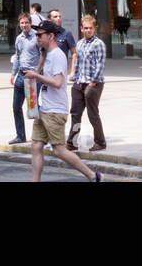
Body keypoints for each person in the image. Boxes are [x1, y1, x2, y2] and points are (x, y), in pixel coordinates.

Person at [25, 20, 99, 182]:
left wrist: (36, 76)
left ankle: (93, 176)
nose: (37, 37)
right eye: (36, 34)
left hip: (55, 111)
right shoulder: (48, 55)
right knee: (36, 146)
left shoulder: (57, 55)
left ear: (51, 36)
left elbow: (58, 83)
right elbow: (49, 80)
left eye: (40, 35)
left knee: (59, 150)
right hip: (45, 108)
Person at [67, 14, 106, 152]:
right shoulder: (79, 43)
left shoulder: (98, 44)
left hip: (93, 84)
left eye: (90, 28)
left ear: (94, 28)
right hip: (79, 83)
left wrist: (92, 83)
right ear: (81, 29)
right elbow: (77, 63)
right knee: (75, 114)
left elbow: (100, 65)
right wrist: (75, 79)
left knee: (92, 114)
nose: (88, 30)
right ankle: (72, 142)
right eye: (85, 28)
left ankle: (100, 142)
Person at [9, 13, 40, 145]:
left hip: (33, 76)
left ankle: (40, 136)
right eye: (22, 23)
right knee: (16, 106)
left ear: (30, 23)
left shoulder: (37, 37)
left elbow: (43, 55)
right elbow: (17, 56)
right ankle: (20, 135)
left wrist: (37, 72)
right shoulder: (19, 38)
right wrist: (13, 73)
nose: (24, 25)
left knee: (33, 108)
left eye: (26, 22)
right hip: (21, 75)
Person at [48, 9, 78, 79]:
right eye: (55, 17)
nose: (58, 18)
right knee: (32, 90)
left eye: (59, 16)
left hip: (60, 72)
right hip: (46, 71)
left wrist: (72, 71)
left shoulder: (67, 33)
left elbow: (74, 53)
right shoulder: (45, 34)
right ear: (49, 20)